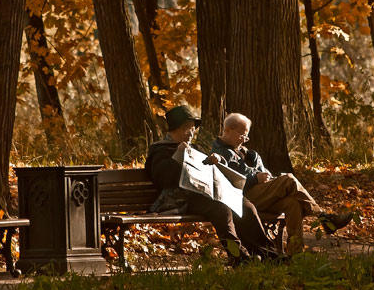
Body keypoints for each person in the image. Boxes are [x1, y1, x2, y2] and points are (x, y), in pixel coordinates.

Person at [145, 105, 278, 265]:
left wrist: (217, 160)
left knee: (245, 205)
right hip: (181, 200)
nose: (191, 133)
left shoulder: (195, 148)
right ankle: (238, 256)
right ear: (175, 129)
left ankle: (268, 253)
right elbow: (164, 180)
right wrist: (178, 156)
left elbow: (209, 170)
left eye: (193, 129)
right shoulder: (160, 151)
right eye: (187, 129)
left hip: (205, 192)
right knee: (221, 208)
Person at [208, 112, 353, 255]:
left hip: (261, 193)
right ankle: (324, 217)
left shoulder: (245, 152)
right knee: (289, 179)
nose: (244, 140)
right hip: (243, 198)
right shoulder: (219, 153)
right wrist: (255, 179)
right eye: (241, 135)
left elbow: (262, 171)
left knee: (292, 204)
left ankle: (295, 253)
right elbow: (227, 183)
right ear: (228, 130)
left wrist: (266, 176)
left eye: (246, 136)